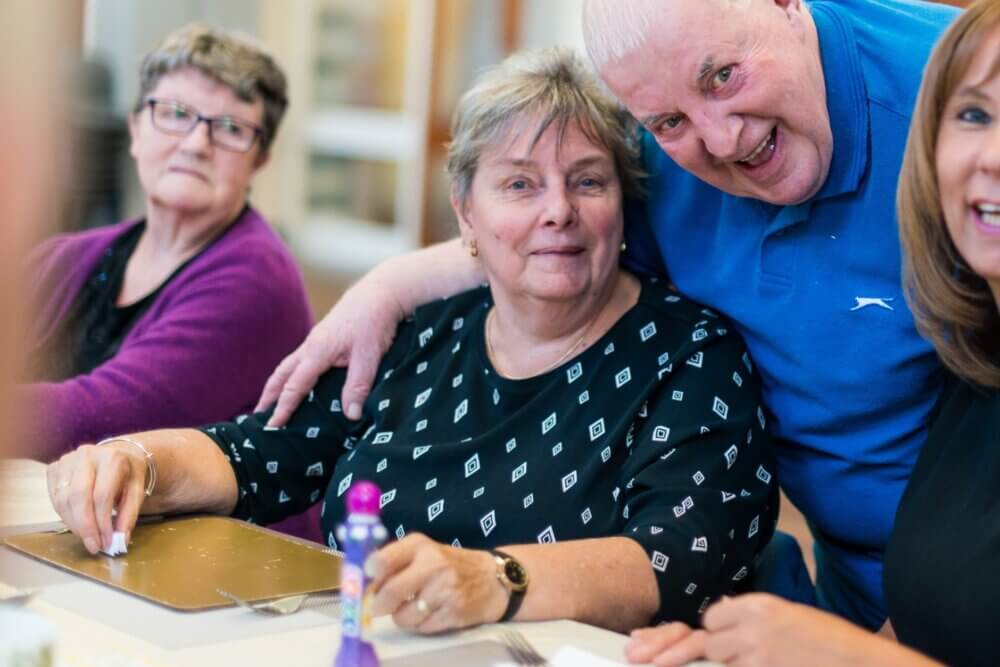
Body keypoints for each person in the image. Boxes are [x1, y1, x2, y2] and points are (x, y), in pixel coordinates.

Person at [256, 0, 960, 630]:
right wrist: (384, 288)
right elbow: (558, 235)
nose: (721, 142)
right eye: (669, 122)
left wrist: (892, 647)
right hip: (844, 591)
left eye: (724, 77)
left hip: (962, 586)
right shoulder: (665, 137)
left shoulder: (960, 97)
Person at [46, 48, 777, 634]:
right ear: (466, 214)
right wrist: (136, 461)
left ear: (623, 203)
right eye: (520, 185)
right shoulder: (419, 334)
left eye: (588, 182)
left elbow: (678, 557)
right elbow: (261, 452)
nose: (558, 210)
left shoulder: (690, 354)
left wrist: (496, 579)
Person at [624, 2, 1000, 664]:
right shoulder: (978, 369)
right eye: (972, 116)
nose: (722, 139)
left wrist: (839, 655)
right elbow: (951, 606)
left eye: (723, 76)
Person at [18, 24, 312, 462]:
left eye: (230, 128)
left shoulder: (258, 281)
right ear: (135, 130)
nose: (195, 144)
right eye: (174, 113)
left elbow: (101, 422)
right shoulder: (62, 258)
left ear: (260, 160)